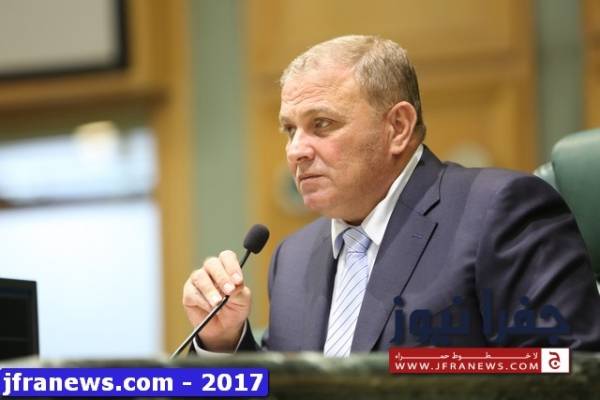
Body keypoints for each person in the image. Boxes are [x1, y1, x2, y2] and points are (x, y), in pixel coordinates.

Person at [182, 35, 600, 355]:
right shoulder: (292, 258)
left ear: (398, 127)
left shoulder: (501, 211)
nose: (296, 150)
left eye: (322, 124)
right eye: (290, 129)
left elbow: (565, 369)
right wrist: (225, 341)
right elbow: (284, 387)